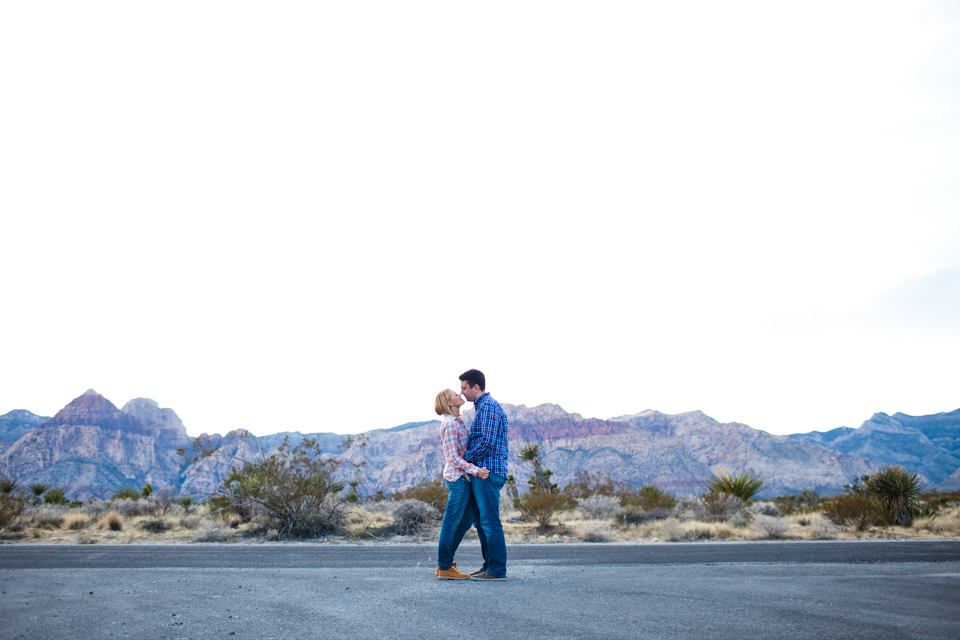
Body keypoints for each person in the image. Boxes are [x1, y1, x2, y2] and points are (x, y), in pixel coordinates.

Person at [434, 388, 489, 580]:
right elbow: (452, 457)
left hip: (463, 478)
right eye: (456, 395)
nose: (460, 395)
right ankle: (445, 566)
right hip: (458, 479)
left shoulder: (457, 421)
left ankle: (445, 563)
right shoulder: (449, 424)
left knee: (466, 521)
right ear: (450, 403)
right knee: (451, 522)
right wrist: (475, 470)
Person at [460, 368, 509, 581]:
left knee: (489, 522)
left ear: (476, 387)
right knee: (482, 522)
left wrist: (465, 458)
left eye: (464, 388)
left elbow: (487, 441)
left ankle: (497, 570)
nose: (462, 393)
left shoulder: (488, 407)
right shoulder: (482, 407)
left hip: (488, 472)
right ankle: (489, 566)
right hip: (483, 472)